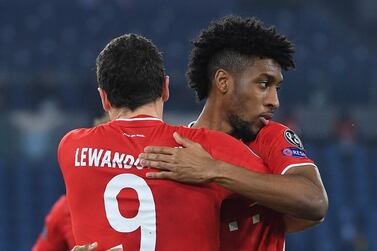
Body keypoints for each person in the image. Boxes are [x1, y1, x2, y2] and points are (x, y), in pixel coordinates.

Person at [59, 33, 273, 250]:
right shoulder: (208, 147)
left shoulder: (73, 148)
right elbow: (287, 197)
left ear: (104, 98)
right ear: (165, 88)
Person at [138, 16, 328, 250]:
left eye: (276, 88)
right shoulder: (172, 150)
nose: (274, 101)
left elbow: (314, 202)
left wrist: (213, 169)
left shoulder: (270, 137)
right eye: (263, 84)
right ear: (223, 81)